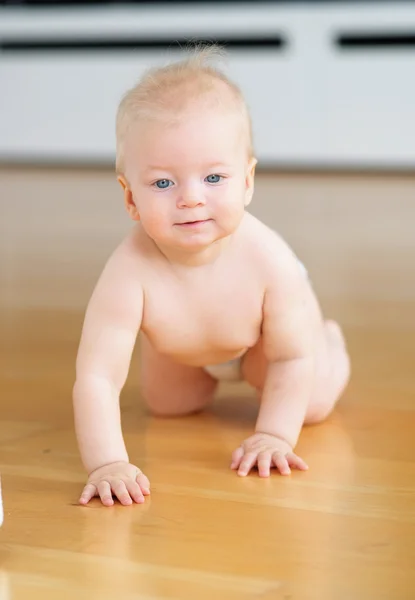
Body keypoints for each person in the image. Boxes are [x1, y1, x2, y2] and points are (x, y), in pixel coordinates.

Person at [73, 45, 351, 507]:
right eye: (163, 183)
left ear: (247, 181)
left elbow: (290, 360)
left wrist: (274, 435)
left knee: (312, 400)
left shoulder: (269, 261)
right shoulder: (128, 271)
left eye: (214, 178)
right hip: (181, 343)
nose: (191, 199)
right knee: (169, 406)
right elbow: (98, 377)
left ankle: (332, 343)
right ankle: (184, 354)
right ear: (130, 198)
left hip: (266, 340)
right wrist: (107, 463)